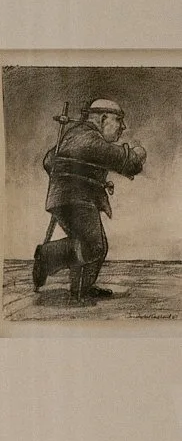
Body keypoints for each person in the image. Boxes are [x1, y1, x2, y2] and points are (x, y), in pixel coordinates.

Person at [32, 97, 146, 301]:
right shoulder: (87, 138)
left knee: (92, 245)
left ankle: (81, 289)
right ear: (103, 119)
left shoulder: (76, 136)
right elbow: (125, 161)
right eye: (119, 120)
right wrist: (137, 155)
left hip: (72, 197)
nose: (123, 126)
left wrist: (87, 177)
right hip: (74, 199)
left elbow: (49, 161)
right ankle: (47, 257)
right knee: (94, 246)